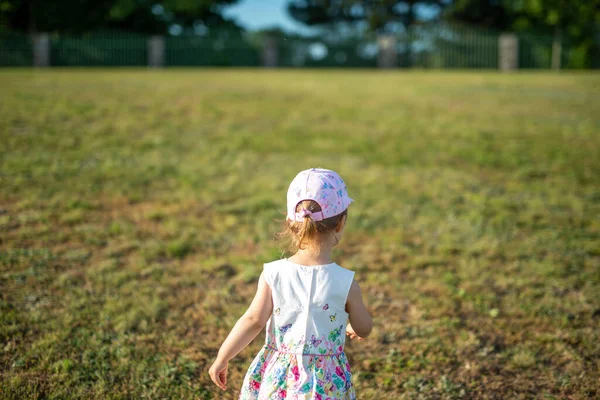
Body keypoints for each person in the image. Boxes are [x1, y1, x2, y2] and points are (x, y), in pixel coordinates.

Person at [209, 168, 373, 399]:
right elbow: (364, 327)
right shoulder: (346, 282)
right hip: (326, 384)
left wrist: (222, 357)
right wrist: (354, 326)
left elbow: (253, 320)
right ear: (340, 223)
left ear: (290, 222)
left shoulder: (273, 274)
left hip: (280, 379)